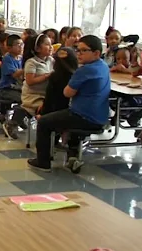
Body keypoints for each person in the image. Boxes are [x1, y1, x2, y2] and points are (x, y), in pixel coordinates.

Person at [28, 35, 110, 172]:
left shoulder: (84, 71)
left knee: (44, 122)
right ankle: (72, 153)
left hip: (83, 116)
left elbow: (67, 93)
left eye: (84, 51)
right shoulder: (103, 66)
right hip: (101, 116)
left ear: (96, 53)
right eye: (77, 50)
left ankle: (43, 162)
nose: (79, 53)